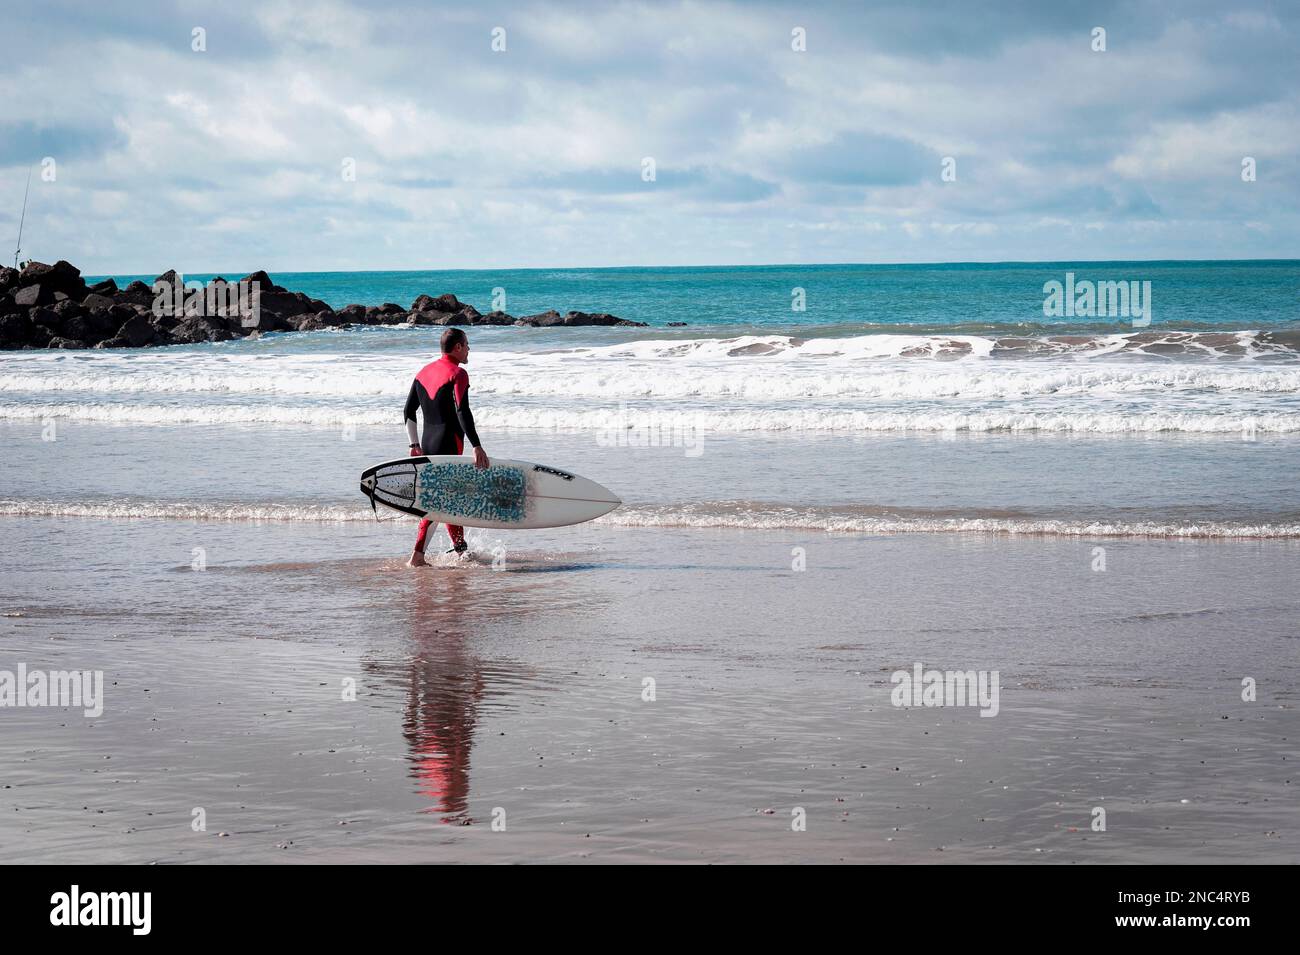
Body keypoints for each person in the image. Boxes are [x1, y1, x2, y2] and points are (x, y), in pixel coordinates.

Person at [403, 327, 489, 566]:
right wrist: (477, 446)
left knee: (446, 497)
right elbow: (463, 411)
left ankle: (461, 551)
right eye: (467, 344)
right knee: (439, 500)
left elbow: (408, 410)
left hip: (428, 443)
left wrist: (414, 444)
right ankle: (417, 557)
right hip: (449, 443)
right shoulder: (458, 374)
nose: (469, 349)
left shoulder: (423, 372)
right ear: (458, 347)